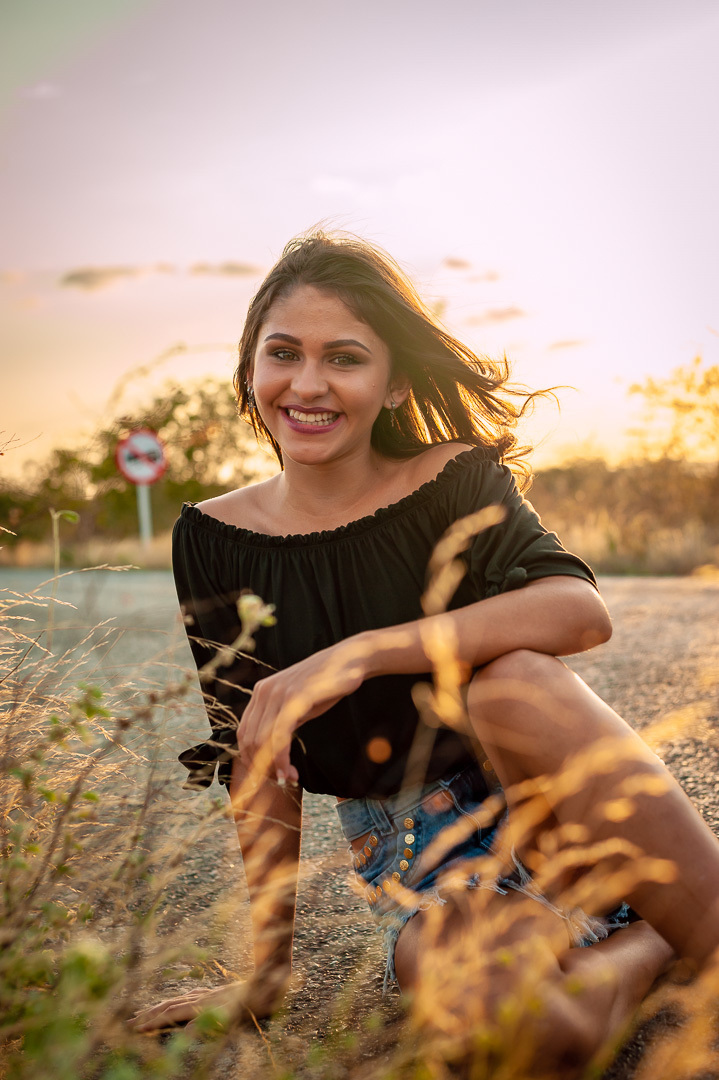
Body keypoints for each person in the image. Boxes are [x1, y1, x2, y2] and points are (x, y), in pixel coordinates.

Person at [132, 232, 719, 1075]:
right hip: (426, 862)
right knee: (512, 1039)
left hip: (556, 804)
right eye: (283, 353)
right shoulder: (214, 536)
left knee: (512, 683)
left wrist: (360, 653)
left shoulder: (454, 479)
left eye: (343, 357)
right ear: (250, 366)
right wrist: (265, 975)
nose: (307, 384)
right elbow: (255, 753)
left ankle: (668, 917)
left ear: (394, 382)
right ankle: (652, 939)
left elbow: (578, 611)